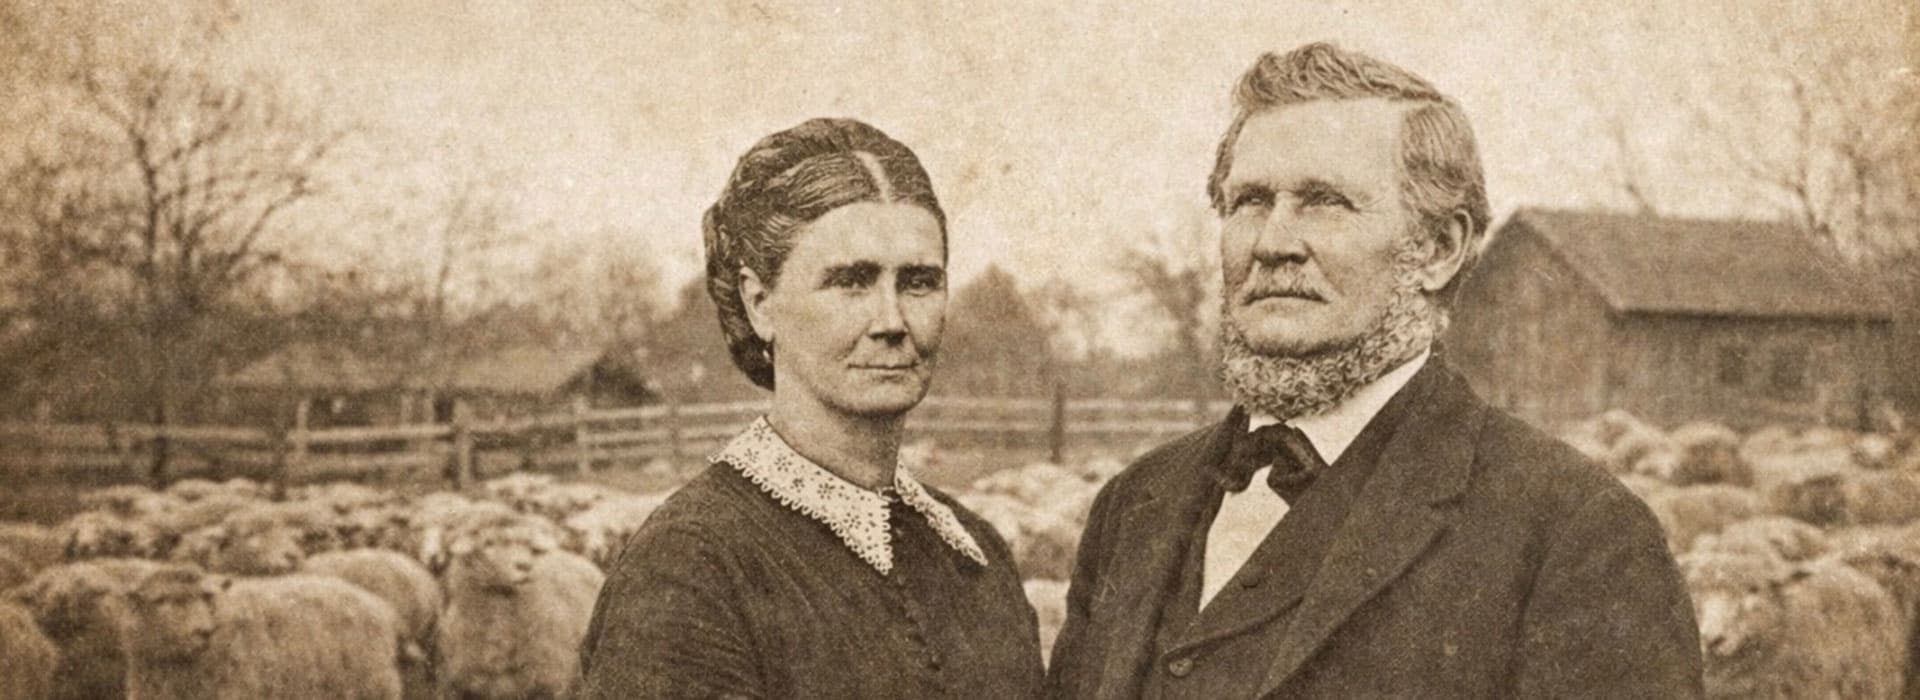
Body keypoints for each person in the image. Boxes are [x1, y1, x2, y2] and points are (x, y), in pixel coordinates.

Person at [1044, 43, 1702, 699]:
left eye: (1324, 202)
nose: (1273, 243)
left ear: (1440, 250)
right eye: (1248, 201)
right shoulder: (1133, 504)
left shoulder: (1577, 533)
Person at [577, 118, 1043, 698]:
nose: (893, 322)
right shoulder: (692, 567)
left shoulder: (974, 554)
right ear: (759, 304)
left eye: (919, 282)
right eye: (851, 282)